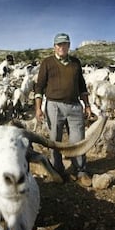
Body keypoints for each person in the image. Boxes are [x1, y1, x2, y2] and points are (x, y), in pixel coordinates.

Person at [34, 33, 92, 185]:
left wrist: (87, 105)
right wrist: (38, 108)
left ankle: (80, 170)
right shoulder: (47, 62)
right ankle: (57, 170)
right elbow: (39, 86)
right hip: (54, 105)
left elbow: (82, 85)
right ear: (55, 46)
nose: (62, 47)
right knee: (54, 140)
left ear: (69, 45)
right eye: (59, 45)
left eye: (65, 44)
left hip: (74, 105)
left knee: (78, 140)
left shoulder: (75, 63)